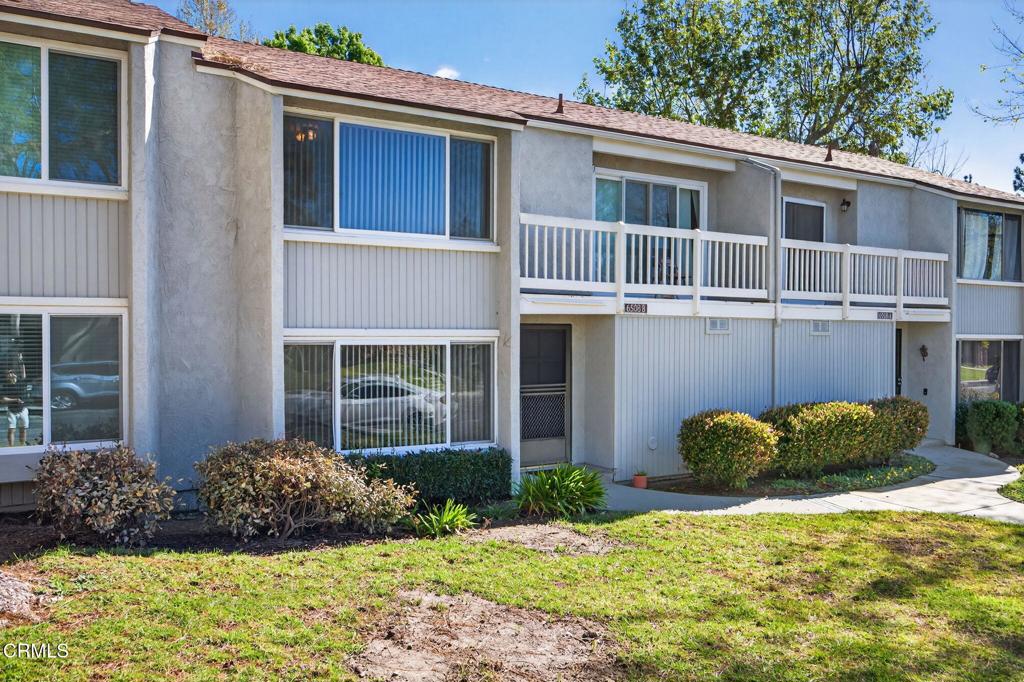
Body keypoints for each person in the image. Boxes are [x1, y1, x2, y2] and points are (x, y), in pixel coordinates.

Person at [2, 367, 31, 447]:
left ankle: (22, 446)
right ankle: (11, 448)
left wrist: (21, 362)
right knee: (11, 430)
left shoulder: (21, 382)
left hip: (23, 409)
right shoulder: (6, 386)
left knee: (23, 429)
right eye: (9, 373)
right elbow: (3, 399)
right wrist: (15, 400)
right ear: (7, 377)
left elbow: (23, 373)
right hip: (12, 411)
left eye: (12, 372)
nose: (11, 374)